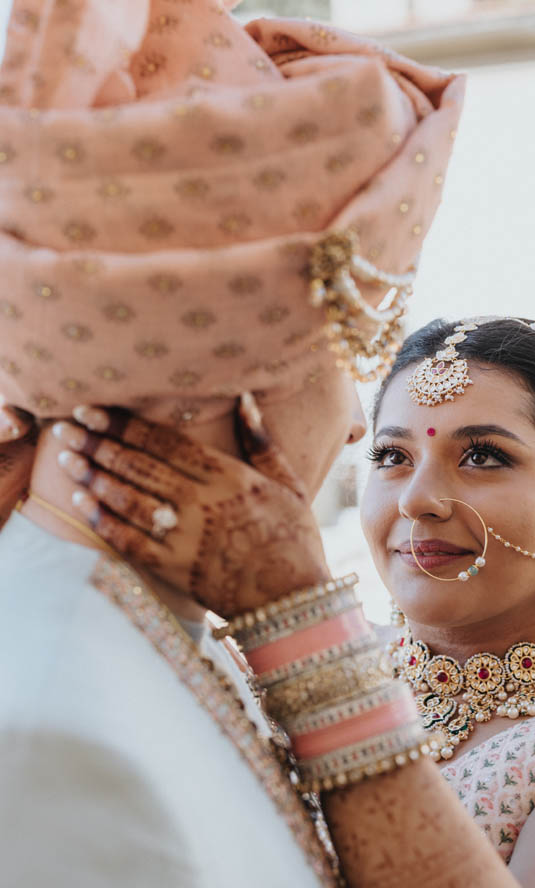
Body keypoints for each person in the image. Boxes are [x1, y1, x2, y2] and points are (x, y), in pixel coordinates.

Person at [0, 2, 494, 887]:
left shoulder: (154, 627)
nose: (353, 424)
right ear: (236, 389)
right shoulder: (51, 731)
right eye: (351, 355)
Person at [53, 316, 535, 886]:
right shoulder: (260, 663)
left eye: (482, 456)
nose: (417, 499)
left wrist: (308, 638)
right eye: (392, 457)